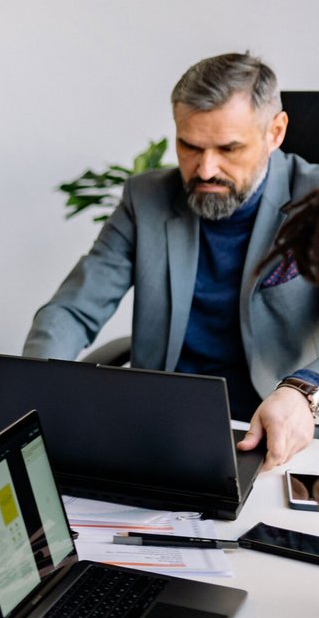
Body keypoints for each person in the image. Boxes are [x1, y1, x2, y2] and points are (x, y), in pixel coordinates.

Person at [24, 52, 319, 470]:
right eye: (190, 146)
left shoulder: (314, 198)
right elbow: (73, 309)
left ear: (275, 132)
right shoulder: (145, 200)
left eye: (228, 148)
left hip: (280, 436)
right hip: (162, 432)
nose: (205, 169)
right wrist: (30, 392)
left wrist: (304, 390)